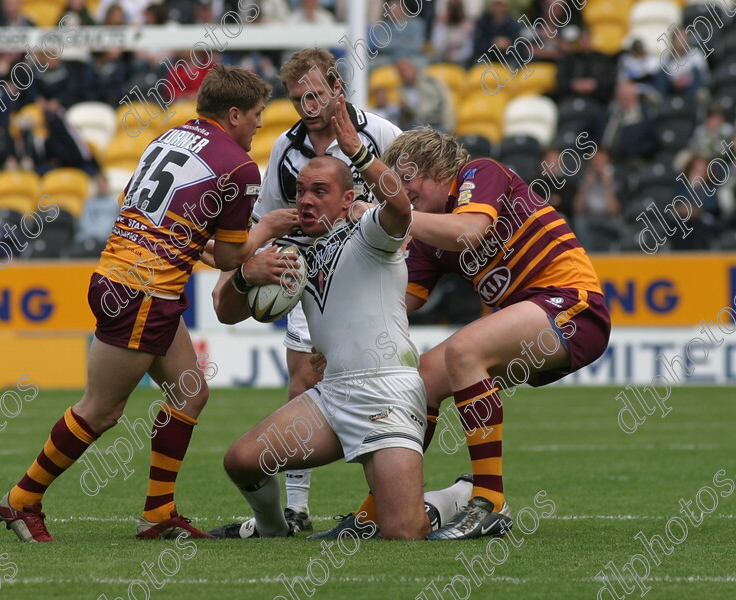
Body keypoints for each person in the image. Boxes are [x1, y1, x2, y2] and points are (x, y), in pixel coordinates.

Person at [0, 64, 297, 543]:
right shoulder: (239, 166)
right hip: (142, 291)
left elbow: (157, 219)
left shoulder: (172, 138)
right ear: (234, 113)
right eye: (258, 114)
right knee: (100, 411)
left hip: (128, 279)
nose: (262, 124)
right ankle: (22, 500)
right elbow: (230, 255)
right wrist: (269, 229)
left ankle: (158, 513)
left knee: (190, 392)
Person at [313, 126, 611, 540]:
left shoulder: (479, 172)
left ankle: (490, 500)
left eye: (404, 180)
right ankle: (377, 509)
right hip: (534, 319)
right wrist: (335, 334)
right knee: (419, 381)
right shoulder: (426, 237)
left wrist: (402, 216)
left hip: (574, 307)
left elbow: (470, 230)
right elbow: (395, 303)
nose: (397, 192)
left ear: (437, 169)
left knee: (464, 350)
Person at [208, 99, 432, 540]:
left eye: (319, 191)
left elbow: (402, 209)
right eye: (300, 192)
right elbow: (225, 311)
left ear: (348, 198)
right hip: (332, 397)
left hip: (387, 390)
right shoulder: (295, 254)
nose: (306, 200)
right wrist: (244, 275)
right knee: (241, 460)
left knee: (404, 533)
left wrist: (358, 151)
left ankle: (458, 497)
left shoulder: (368, 232)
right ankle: (273, 528)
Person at [251, 48, 402, 532]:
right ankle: (295, 508)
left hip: (366, 268)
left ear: (337, 87)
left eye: (316, 94)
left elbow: (408, 198)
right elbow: (271, 217)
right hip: (306, 270)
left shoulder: (378, 132)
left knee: (367, 380)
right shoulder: (283, 148)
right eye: (298, 98)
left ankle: (379, 504)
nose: (308, 106)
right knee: (302, 380)